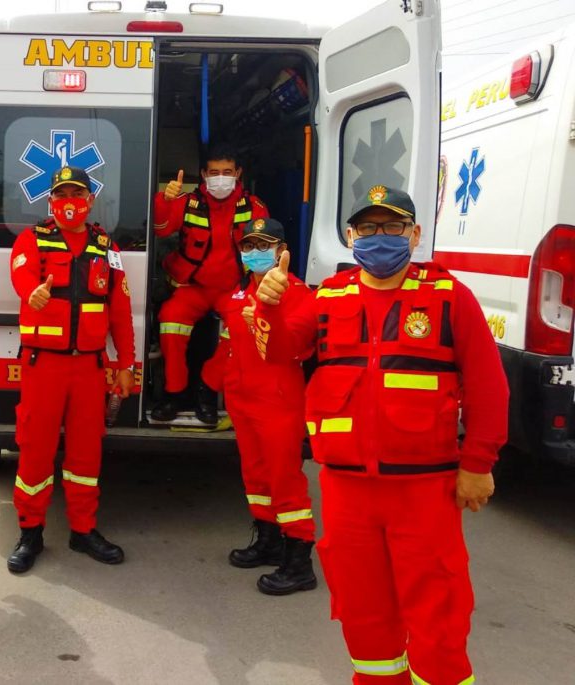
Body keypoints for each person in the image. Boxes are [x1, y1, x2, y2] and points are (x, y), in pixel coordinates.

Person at [255, 184, 508, 684]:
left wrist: (478, 465)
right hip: (347, 491)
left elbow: (489, 387)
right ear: (351, 237)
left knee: (439, 618)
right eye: (368, 227)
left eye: (393, 226)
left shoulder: (449, 298)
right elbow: (281, 350)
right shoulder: (329, 297)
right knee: (363, 615)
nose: (380, 236)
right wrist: (270, 305)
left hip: (425, 491)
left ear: (415, 234)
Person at [6, 166, 136, 573]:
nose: (69, 202)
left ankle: (83, 530)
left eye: (76, 194)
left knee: (86, 452)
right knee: (35, 450)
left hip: (90, 369)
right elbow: (21, 272)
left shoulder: (106, 248)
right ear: (50, 201)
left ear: (90, 200)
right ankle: (30, 532)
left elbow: (120, 312)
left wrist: (126, 364)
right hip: (43, 365)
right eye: (61, 195)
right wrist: (32, 293)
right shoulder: (32, 239)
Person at [200, 218, 316, 595]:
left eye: (264, 245)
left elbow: (293, 346)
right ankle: (268, 540)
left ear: (282, 251)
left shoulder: (299, 295)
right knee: (256, 475)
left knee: (285, 478)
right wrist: (209, 386)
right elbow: (227, 346)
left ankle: (299, 559)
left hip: (278, 400)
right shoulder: (237, 297)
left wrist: (268, 315)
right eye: (248, 246)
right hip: (242, 399)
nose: (254, 252)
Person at [152, 142, 269, 425]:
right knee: (170, 322)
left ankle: (207, 390)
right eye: (214, 172)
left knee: (241, 329)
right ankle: (174, 394)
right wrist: (164, 200)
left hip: (233, 289)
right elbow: (161, 229)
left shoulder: (254, 207)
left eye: (227, 172)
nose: (220, 178)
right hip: (194, 288)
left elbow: (265, 251)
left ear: (238, 173)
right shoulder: (187, 202)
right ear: (204, 174)